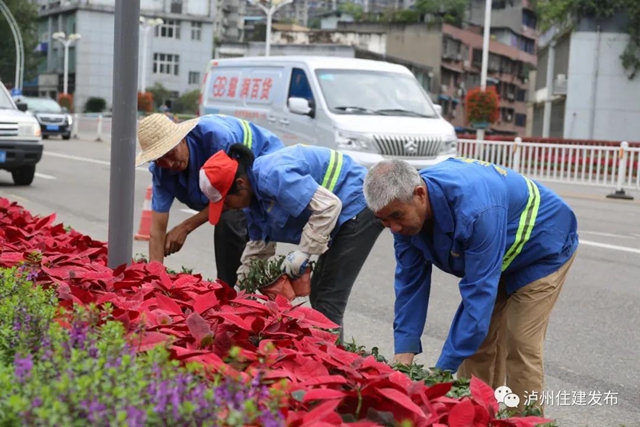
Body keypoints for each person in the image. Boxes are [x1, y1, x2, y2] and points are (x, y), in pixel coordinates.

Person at [363, 157, 579, 415]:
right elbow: (410, 287)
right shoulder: (402, 220)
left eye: (397, 217)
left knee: (520, 343)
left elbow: (478, 296)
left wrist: (440, 374)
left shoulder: (475, 211)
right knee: (476, 344)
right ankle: (480, 416)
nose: (394, 228)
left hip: (543, 247)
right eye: (384, 221)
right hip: (498, 254)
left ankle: (526, 419)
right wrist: (403, 355)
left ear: (420, 194)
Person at [198, 143, 385, 339]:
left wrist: (304, 251)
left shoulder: (273, 175)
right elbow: (257, 250)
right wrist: (239, 295)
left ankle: (334, 363)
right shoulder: (253, 203)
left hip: (357, 204)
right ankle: (330, 354)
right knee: (320, 294)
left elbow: (329, 206)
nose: (229, 208)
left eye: (226, 202)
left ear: (240, 184)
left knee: (328, 296)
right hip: (340, 214)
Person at [135, 113, 285, 286]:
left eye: (170, 153)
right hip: (232, 192)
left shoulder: (216, 140)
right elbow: (157, 231)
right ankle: (238, 290)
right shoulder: (162, 172)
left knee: (230, 223)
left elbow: (229, 198)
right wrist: (157, 280)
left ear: (182, 139)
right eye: (160, 159)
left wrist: (185, 227)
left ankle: (231, 295)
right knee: (247, 258)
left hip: (257, 172)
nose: (169, 164)